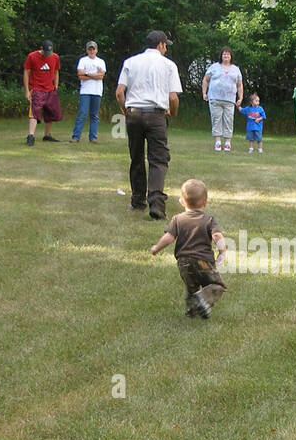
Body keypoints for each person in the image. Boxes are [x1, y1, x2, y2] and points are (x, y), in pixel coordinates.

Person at [116, 30, 182, 220]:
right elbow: (173, 97)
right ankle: (157, 205)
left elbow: (120, 92)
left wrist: (125, 111)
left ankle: (137, 201)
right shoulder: (168, 65)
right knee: (158, 160)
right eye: (166, 45)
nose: (166, 48)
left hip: (134, 114)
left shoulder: (130, 62)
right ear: (161, 45)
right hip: (157, 115)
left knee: (136, 157)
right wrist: (173, 113)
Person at [149, 178, 227, 319]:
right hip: (203, 262)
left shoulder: (177, 219)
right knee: (217, 285)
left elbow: (169, 237)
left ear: (182, 202)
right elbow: (216, 235)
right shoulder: (209, 220)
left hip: (183, 263)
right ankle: (202, 299)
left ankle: (191, 311)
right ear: (205, 202)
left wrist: (156, 248)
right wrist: (222, 250)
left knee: (191, 288)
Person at [202, 47, 243, 153]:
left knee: (229, 120)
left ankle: (228, 143)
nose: (226, 56)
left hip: (230, 100)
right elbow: (205, 80)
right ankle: (218, 142)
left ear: (231, 56)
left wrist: (240, 97)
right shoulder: (214, 67)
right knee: (216, 119)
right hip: (215, 98)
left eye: (228, 54)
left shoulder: (235, 69)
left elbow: (239, 85)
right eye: (224, 54)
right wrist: (204, 93)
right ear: (221, 56)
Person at [23, 40, 61, 145]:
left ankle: (47, 135)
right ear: (41, 49)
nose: (48, 55)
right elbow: (26, 73)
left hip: (50, 89)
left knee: (51, 112)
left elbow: (56, 72)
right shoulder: (32, 56)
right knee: (34, 112)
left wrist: (55, 86)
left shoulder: (55, 57)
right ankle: (30, 136)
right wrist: (27, 91)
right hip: (36, 88)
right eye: (46, 52)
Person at [71, 40, 106, 143]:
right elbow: (80, 75)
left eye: (93, 49)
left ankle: (93, 137)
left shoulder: (101, 62)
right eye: (90, 49)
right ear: (87, 50)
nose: (91, 51)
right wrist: (93, 74)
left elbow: (101, 76)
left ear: (96, 50)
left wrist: (87, 74)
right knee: (82, 113)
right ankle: (76, 136)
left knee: (94, 115)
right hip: (85, 91)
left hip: (97, 91)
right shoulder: (83, 60)